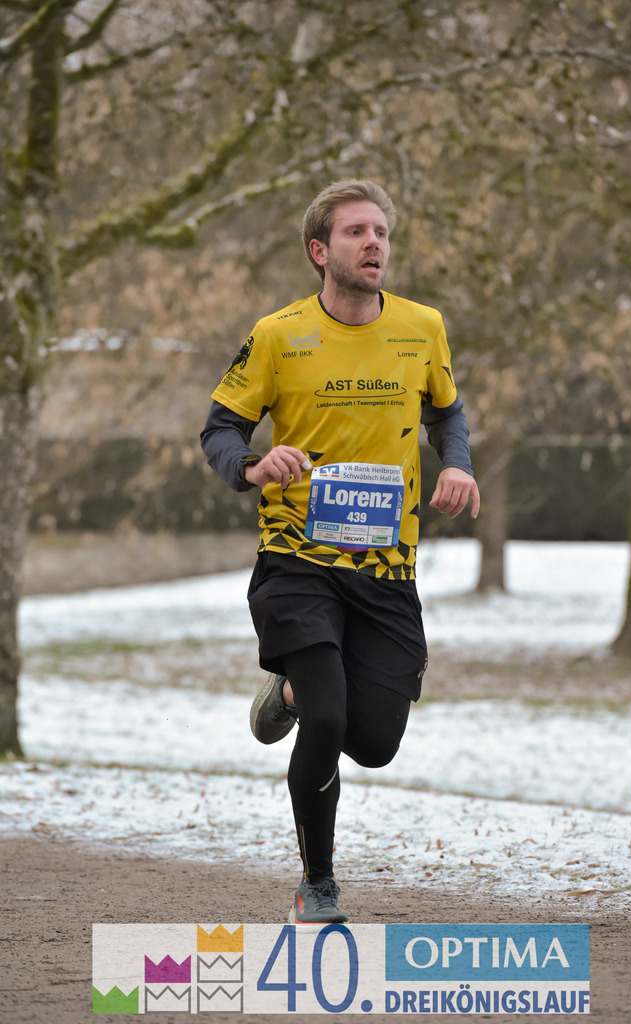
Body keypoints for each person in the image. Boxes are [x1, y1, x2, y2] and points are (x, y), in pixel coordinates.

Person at [200, 178, 479, 924]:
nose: (375, 243)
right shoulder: (277, 335)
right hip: (297, 558)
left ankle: (288, 695)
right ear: (321, 251)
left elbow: (449, 416)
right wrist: (254, 467)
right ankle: (318, 882)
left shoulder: (422, 328)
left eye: (381, 231)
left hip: (386, 568)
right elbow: (219, 432)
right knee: (328, 719)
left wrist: (457, 464)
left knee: (376, 741)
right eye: (357, 232)